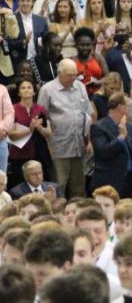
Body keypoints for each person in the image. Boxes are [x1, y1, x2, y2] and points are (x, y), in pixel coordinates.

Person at [37, 58, 92, 199]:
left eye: (75, 74)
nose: (73, 78)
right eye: (69, 75)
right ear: (59, 73)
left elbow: (87, 115)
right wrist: (47, 143)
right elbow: (41, 119)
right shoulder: (47, 90)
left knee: (79, 188)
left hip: (79, 145)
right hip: (58, 147)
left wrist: (89, 140)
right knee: (58, 187)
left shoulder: (80, 86)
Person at [90, 92, 132, 197]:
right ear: (120, 107)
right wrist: (121, 137)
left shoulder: (129, 126)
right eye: (128, 105)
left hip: (129, 179)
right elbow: (103, 152)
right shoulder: (99, 127)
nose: (130, 107)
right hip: (111, 180)